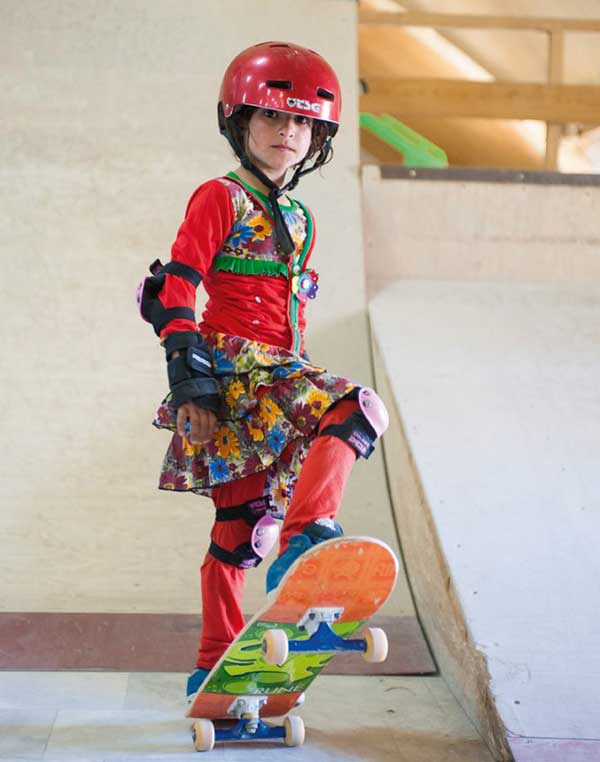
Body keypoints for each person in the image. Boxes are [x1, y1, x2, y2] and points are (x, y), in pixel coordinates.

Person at [137, 41, 389, 701]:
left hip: (279, 375)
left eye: (303, 122)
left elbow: (290, 312)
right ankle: (307, 533)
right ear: (239, 122)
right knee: (358, 408)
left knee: (241, 530)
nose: (288, 133)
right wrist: (188, 375)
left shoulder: (301, 219)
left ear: (319, 137)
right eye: (273, 117)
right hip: (232, 373)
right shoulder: (220, 196)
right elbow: (177, 286)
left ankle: (212, 663)